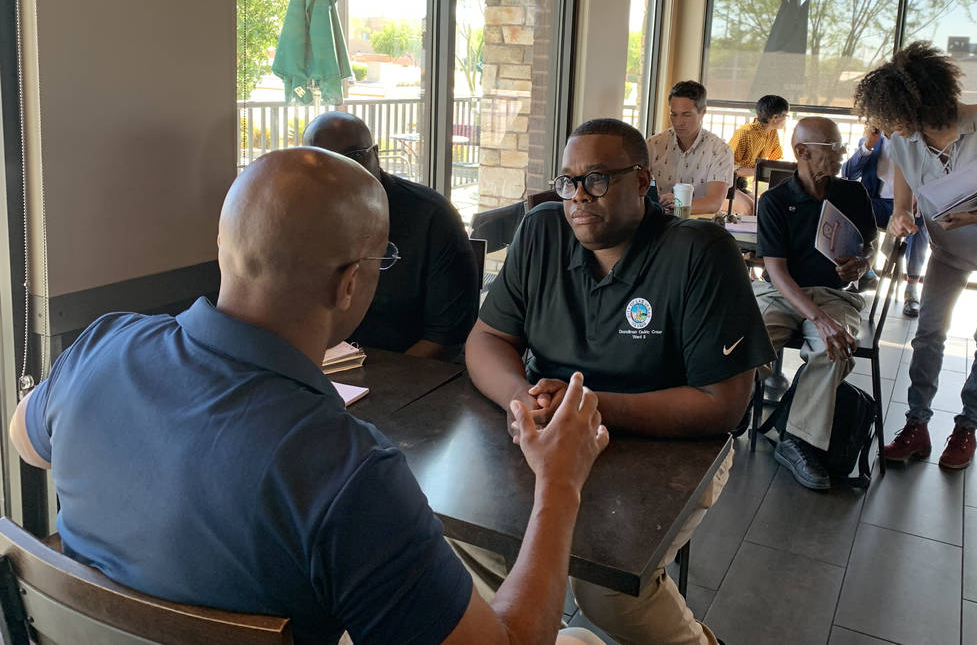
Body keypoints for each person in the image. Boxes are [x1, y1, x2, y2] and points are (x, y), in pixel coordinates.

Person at [8, 147, 609, 645]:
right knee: (578, 640)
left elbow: (26, 443)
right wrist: (560, 482)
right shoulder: (348, 475)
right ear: (350, 284)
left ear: (224, 245)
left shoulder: (101, 345)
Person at [461, 118, 775, 644]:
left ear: (643, 182)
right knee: (472, 538)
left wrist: (584, 407)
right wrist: (523, 400)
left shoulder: (699, 251)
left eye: (598, 179)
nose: (579, 196)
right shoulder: (541, 231)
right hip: (548, 432)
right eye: (569, 181)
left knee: (605, 587)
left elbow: (723, 405)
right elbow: (486, 338)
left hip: (670, 450)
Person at [853, 41, 977, 470]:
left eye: (896, 119)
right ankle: (916, 424)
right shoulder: (903, 140)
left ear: (920, 103)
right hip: (949, 247)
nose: (891, 129)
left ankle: (967, 427)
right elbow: (903, 192)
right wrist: (901, 216)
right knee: (928, 333)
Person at [753, 117, 877, 491]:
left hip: (834, 294)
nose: (842, 154)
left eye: (841, 146)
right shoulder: (775, 201)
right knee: (749, 339)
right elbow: (775, 271)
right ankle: (728, 412)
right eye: (833, 147)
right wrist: (816, 317)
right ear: (802, 151)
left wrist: (862, 261)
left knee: (834, 348)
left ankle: (798, 440)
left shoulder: (853, 194)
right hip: (782, 291)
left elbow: (870, 247)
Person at [303, 111, 478, 360]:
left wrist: (377, 378)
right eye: (322, 160)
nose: (338, 170)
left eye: (352, 156)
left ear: (375, 154)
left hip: (407, 372)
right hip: (324, 367)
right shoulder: (300, 216)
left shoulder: (431, 216)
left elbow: (447, 337)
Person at [841, 125, 930, 315]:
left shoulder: (918, 142)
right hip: (878, 203)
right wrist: (867, 146)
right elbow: (848, 173)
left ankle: (912, 287)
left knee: (919, 222)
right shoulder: (874, 141)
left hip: (910, 204)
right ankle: (866, 271)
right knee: (852, 209)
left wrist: (920, 195)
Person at [646, 80, 735, 215]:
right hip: (661, 222)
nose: (678, 122)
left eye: (686, 115)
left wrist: (679, 205)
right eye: (674, 114)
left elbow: (714, 203)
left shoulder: (719, 150)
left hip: (698, 227)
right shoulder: (654, 145)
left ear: (703, 111)